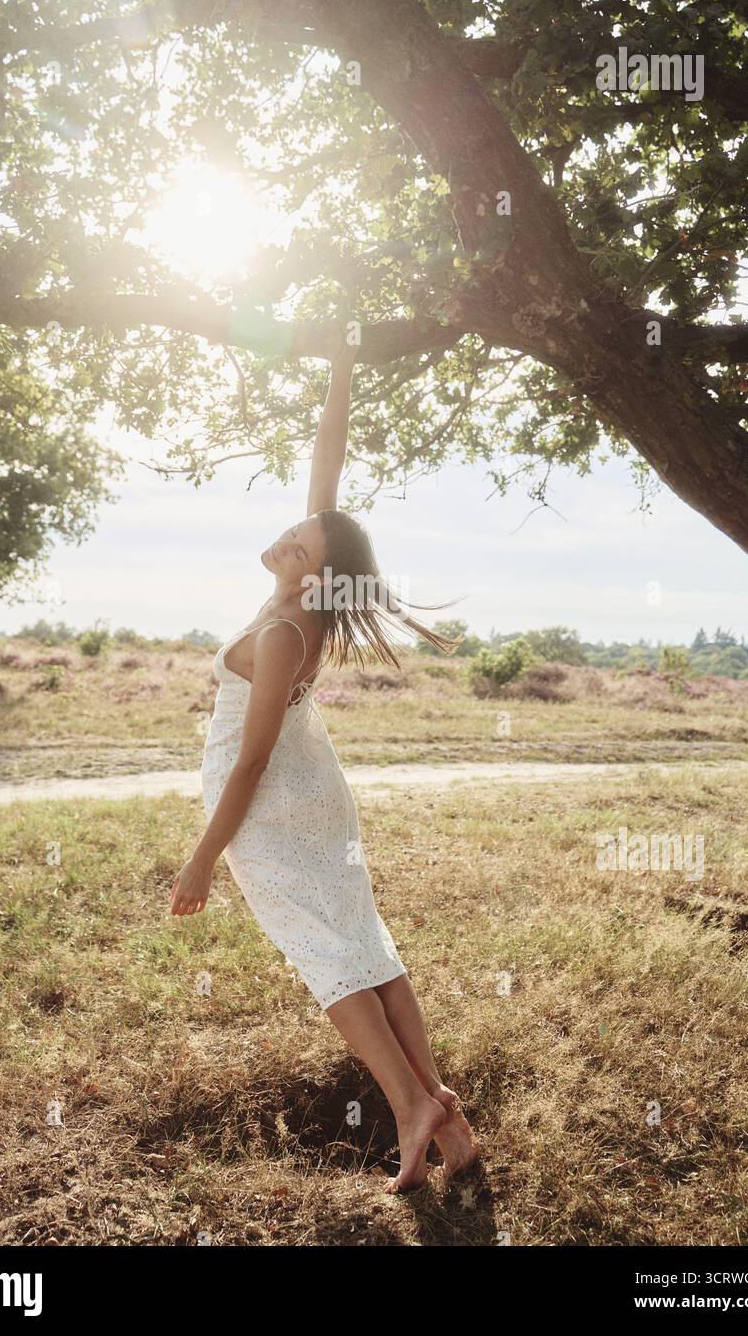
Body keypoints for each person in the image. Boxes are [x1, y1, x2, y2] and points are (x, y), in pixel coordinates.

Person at [170, 337, 479, 1192]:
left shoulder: (279, 632)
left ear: (320, 574)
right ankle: (449, 1128)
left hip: (271, 808)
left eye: (299, 546)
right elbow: (327, 479)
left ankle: (410, 1106)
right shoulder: (308, 603)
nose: (284, 542)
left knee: (328, 960)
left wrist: (203, 855)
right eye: (290, 533)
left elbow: (250, 762)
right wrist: (342, 369)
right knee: (367, 953)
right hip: (318, 802)